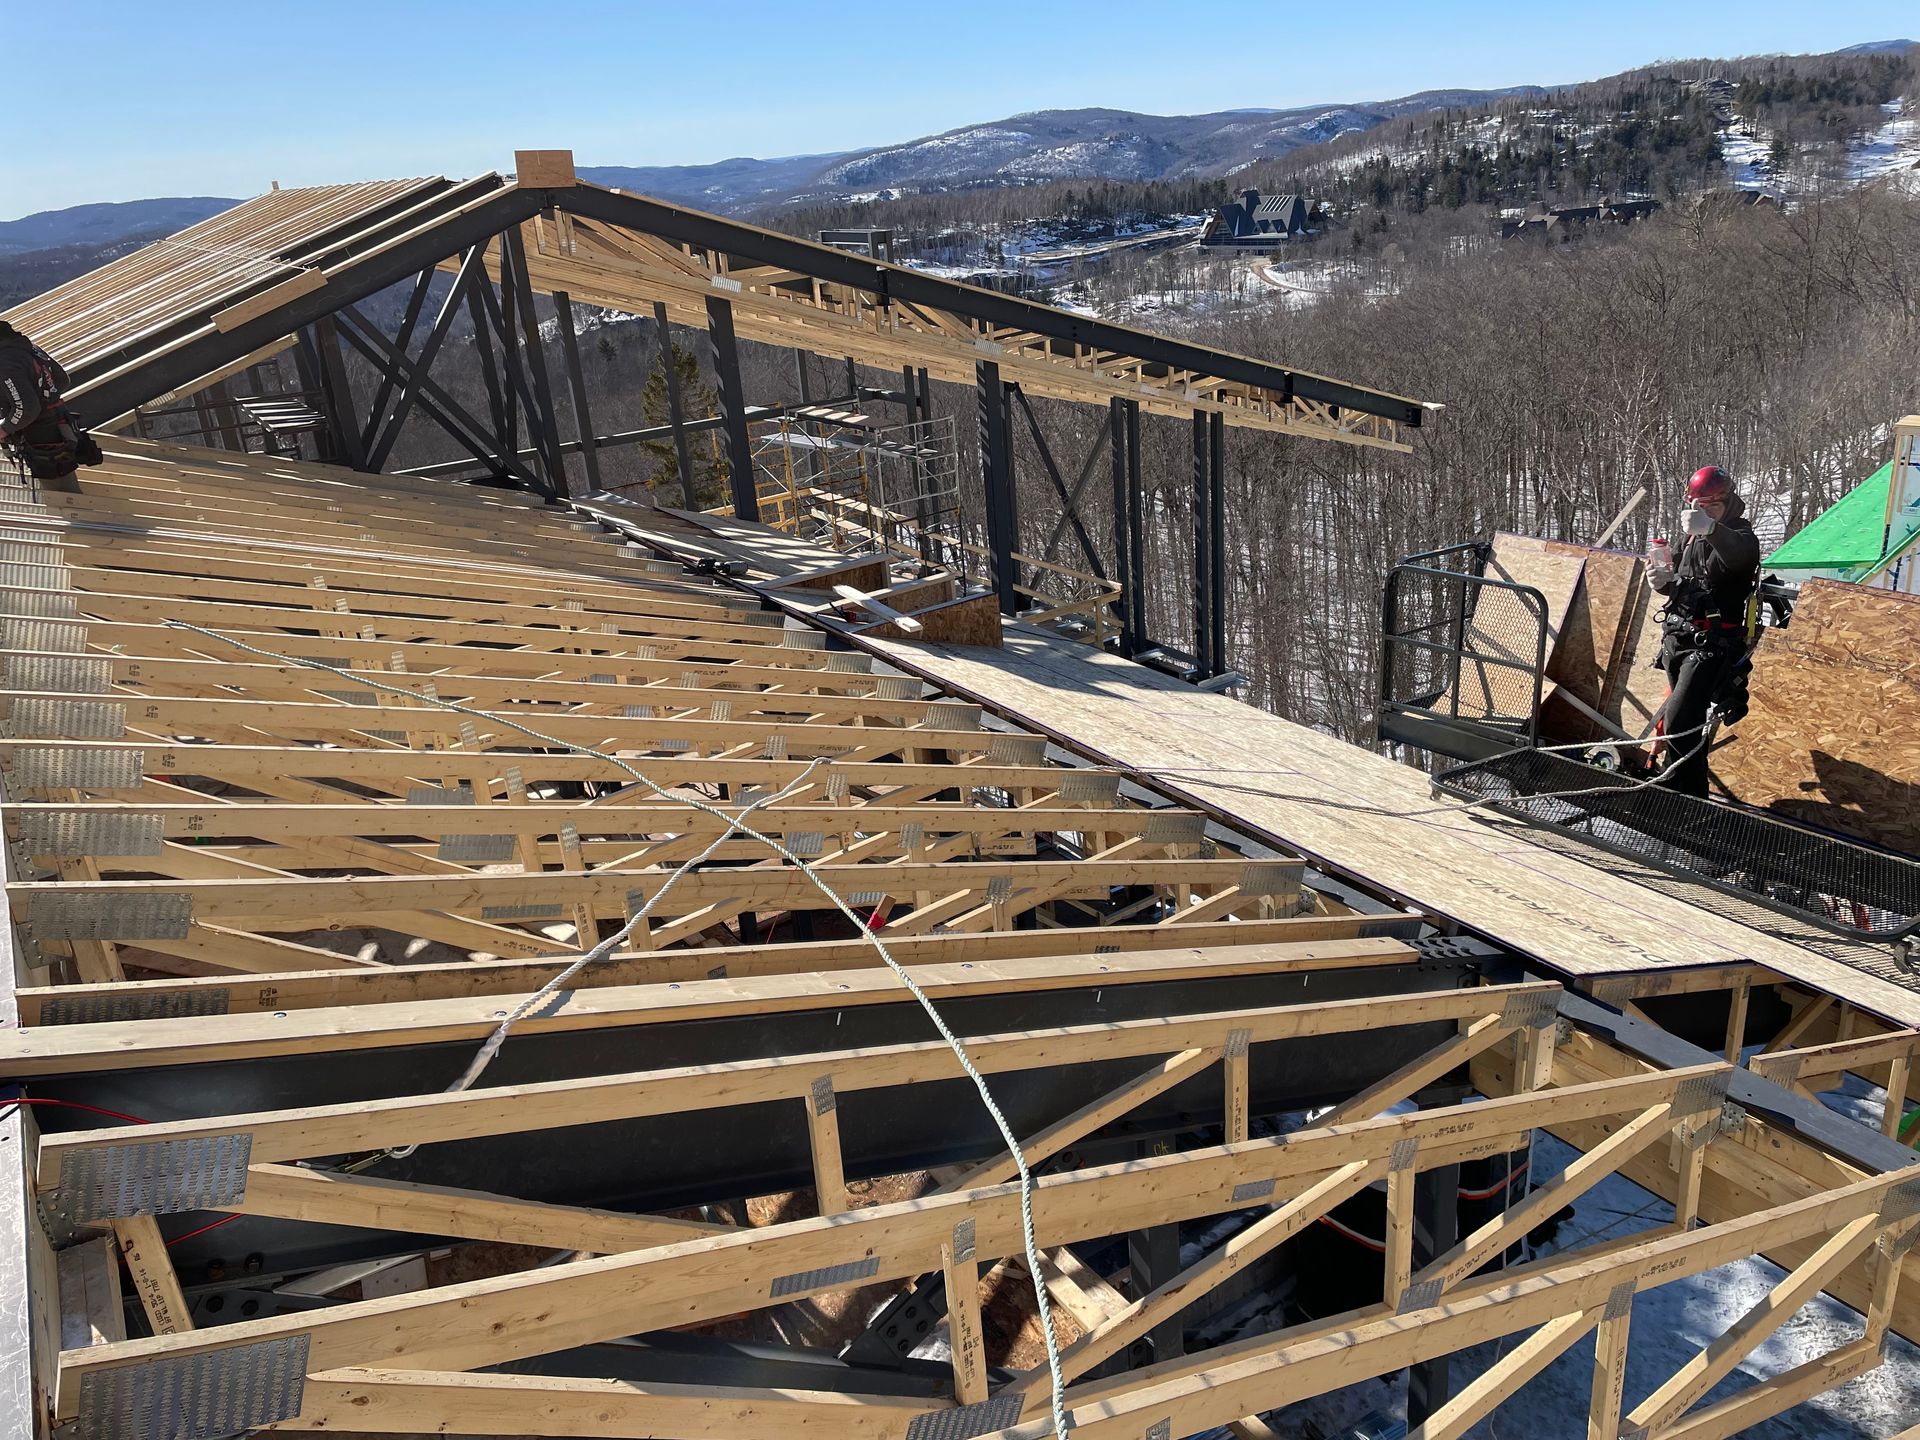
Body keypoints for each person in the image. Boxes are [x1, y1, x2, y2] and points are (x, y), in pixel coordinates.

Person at [1645, 465, 1760, 798]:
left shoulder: (1738, 534)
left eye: (1712, 506)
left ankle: (1692, 794)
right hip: (1679, 636)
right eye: (1699, 506)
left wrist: (1711, 529)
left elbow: (1741, 558)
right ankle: (1679, 782)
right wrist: (1663, 583)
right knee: (1680, 723)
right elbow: (1684, 579)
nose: (1704, 512)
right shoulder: (1693, 535)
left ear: (1727, 502)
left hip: (1710, 645)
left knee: (1682, 720)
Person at [0, 320, 98, 493]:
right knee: (66, 477)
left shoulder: (6, 362)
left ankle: (81, 518)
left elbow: (27, 409)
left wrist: (5, 428)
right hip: (59, 422)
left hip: (41, 436)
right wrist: (46, 399)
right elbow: (61, 380)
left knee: (61, 494)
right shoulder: (29, 347)